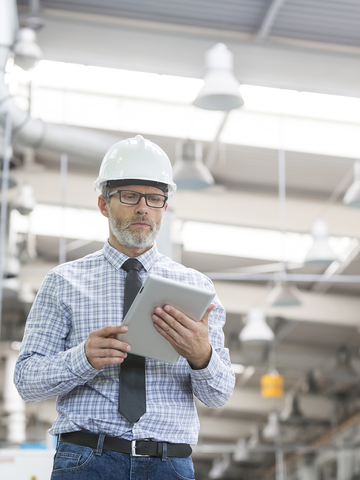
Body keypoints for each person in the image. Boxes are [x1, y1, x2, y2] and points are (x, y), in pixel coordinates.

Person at [14, 135, 235, 480]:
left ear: (165, 206)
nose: (143, 208)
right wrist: (83, 358)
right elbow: (26, 381)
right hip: (87, 460)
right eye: (130, 196)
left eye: (155, 198)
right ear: (103, 204)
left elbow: (219, 394)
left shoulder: (197, 288)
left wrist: (201, 355)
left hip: (169, 465)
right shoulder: (63, 282)